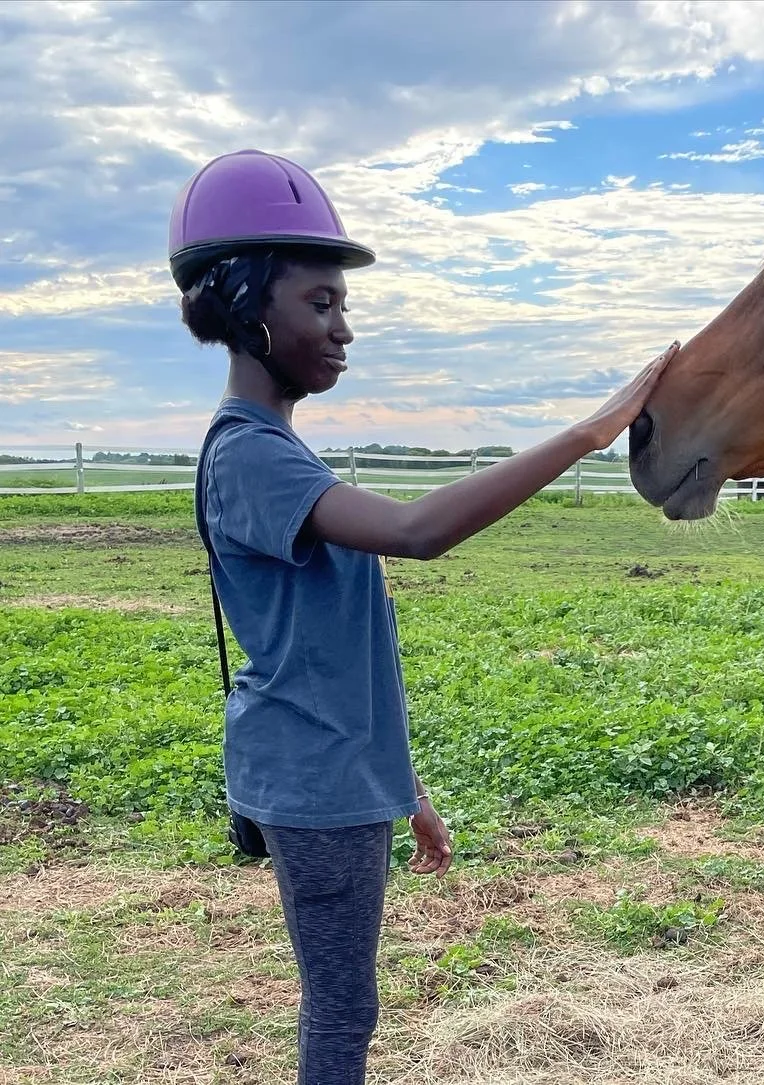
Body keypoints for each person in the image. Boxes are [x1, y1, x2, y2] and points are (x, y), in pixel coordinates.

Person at [169, 148, 674, 1085]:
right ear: (245, 304)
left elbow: (343, 651)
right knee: (341, 1011)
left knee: (344, 1005)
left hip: (335, 774)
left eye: (342, 306)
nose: (344, 329)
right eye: (320, 303)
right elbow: (417, 530)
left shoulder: (276, 449)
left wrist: (405, 789)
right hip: (314, 782)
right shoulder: (250, 456)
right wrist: (588, 433)